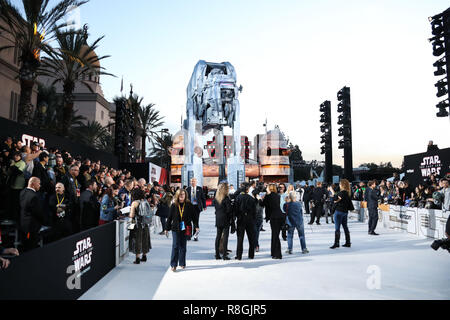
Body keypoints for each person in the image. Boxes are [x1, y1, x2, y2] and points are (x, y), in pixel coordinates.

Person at [164, 189, 199, 271]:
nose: (182, 196)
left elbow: (195, 217)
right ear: (177, 195)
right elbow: (169, 218)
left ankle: (182, 263)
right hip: (175, 228)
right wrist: (166, 228)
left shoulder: (189, 205)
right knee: (175, 245)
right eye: (180, 194)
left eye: (183, 194)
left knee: (183, 246)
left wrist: (196, 226)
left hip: (186, 228)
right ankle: (173, 264)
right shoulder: (174, 205)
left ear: (185, 195)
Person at [20, 177, 44, 252]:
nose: (40, 185)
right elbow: (38, 213)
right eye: (39, 183)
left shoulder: (22, 192)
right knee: (31, 248)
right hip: (32, 226)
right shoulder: (34, 196)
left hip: (23, 223)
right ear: (33, 184)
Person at [234, 182, 257, 260]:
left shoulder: (238, 198)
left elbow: (236, 209)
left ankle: (239, 255)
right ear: (247, 189)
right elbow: (254, 211)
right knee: (251, 238)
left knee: (240, 238)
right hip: (250, 219)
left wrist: (237, 216)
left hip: (241, 219)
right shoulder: (251, 198)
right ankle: (251, 255)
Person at [262, 183, 285, 259]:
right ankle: (273, 252)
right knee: (275, 235)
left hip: (274, 217)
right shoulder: (278, 196)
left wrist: (259, 198)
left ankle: (278, 254)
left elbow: (262, 204)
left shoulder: (268, 196)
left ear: (270, 188)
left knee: (275, 235)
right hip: (280, 216)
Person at [129, 188, 152, 264]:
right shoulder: (145, 201)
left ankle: (137, 258)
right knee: (145, 239)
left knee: (137, 240)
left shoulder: (134, 203)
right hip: (145, 224)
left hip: (137, 224)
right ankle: (144, 256)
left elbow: (131, 215)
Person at [330, 179, 353, 249]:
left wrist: (332, 192)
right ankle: (348, 242)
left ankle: (336, 243)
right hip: (345, 212)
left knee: (337, 228)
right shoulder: (347, 193)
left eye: (340, 184)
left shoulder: (341, 193)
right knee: (345, 227)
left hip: (339, 212)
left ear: (342, 185)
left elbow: (335, 200)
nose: (339, 185)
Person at [213, 183, 233, 260]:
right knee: (225, 237)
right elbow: (229, 210)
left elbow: (216, 209)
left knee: (218, 236)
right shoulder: (226, 199)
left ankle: (217, 254)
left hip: (218, 219)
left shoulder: (216, 199)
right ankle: (224, 255)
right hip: (225, 219)